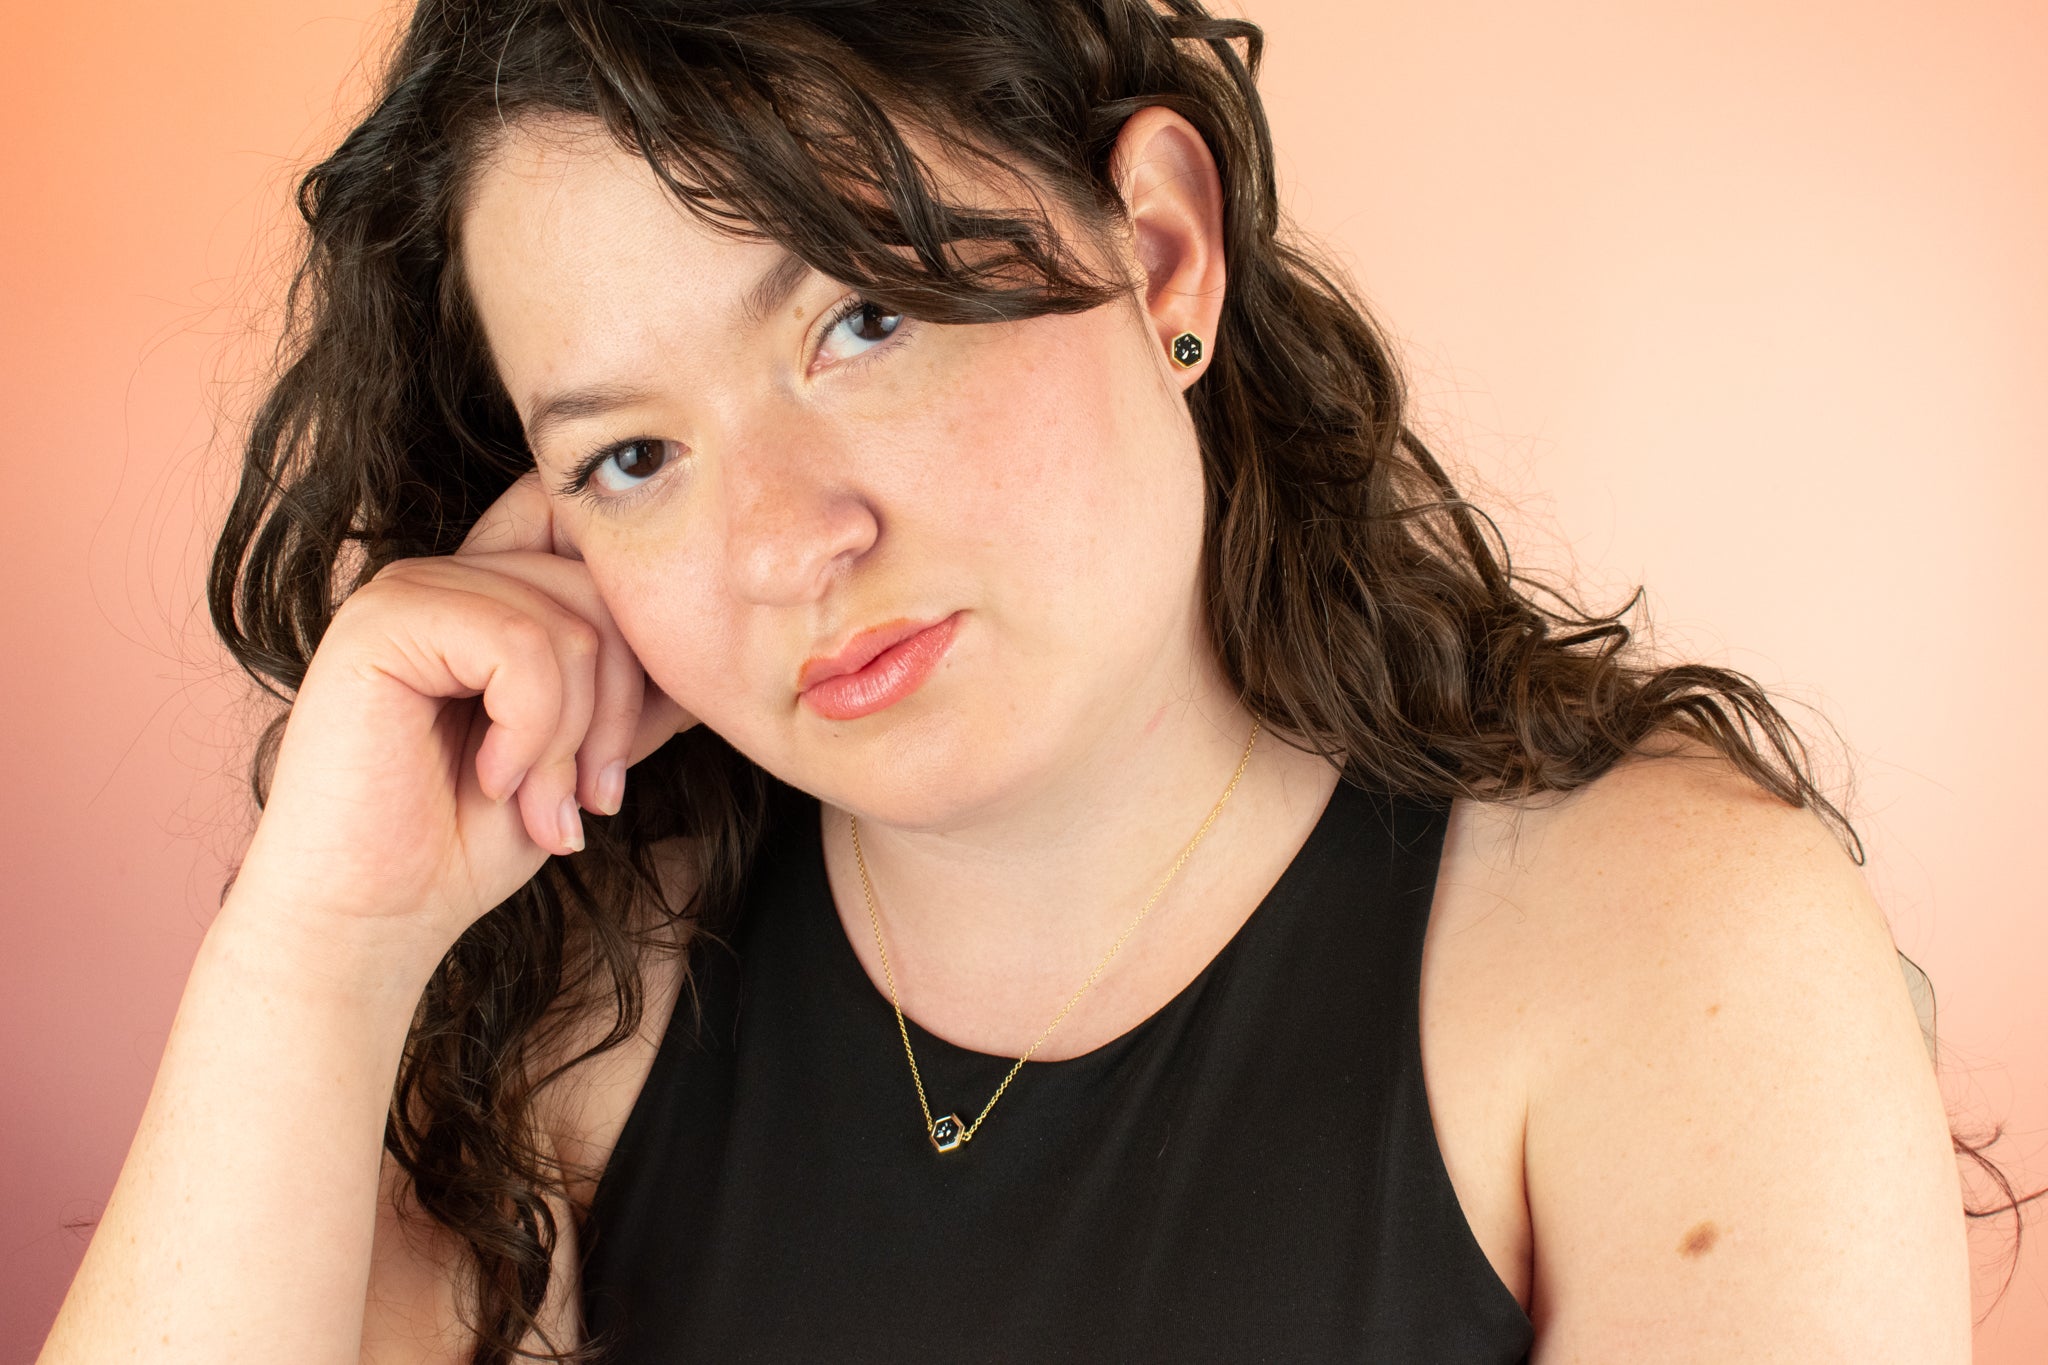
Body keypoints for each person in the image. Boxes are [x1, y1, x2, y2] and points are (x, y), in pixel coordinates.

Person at [36, 1, 1975, 1361]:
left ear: (1159, 250)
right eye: (633, 454)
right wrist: (324, 944)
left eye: (861, 319)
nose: (786, 536)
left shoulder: (1662, 942)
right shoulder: (585, 993)